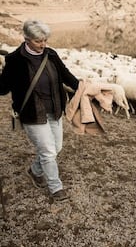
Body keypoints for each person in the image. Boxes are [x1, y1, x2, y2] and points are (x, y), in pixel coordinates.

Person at [0, 19, 79, 202]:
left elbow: (66, 75)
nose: (43, 44)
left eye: (45, 40)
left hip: (54, 110)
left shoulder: (50, 54)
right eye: (38, 41)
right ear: (27, 39)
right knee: (49, 151)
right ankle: (55, 187)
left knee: (56, 147)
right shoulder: (14, 60)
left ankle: (34, 170)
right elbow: (3, 88)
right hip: (32, 113)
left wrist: (83, 87)